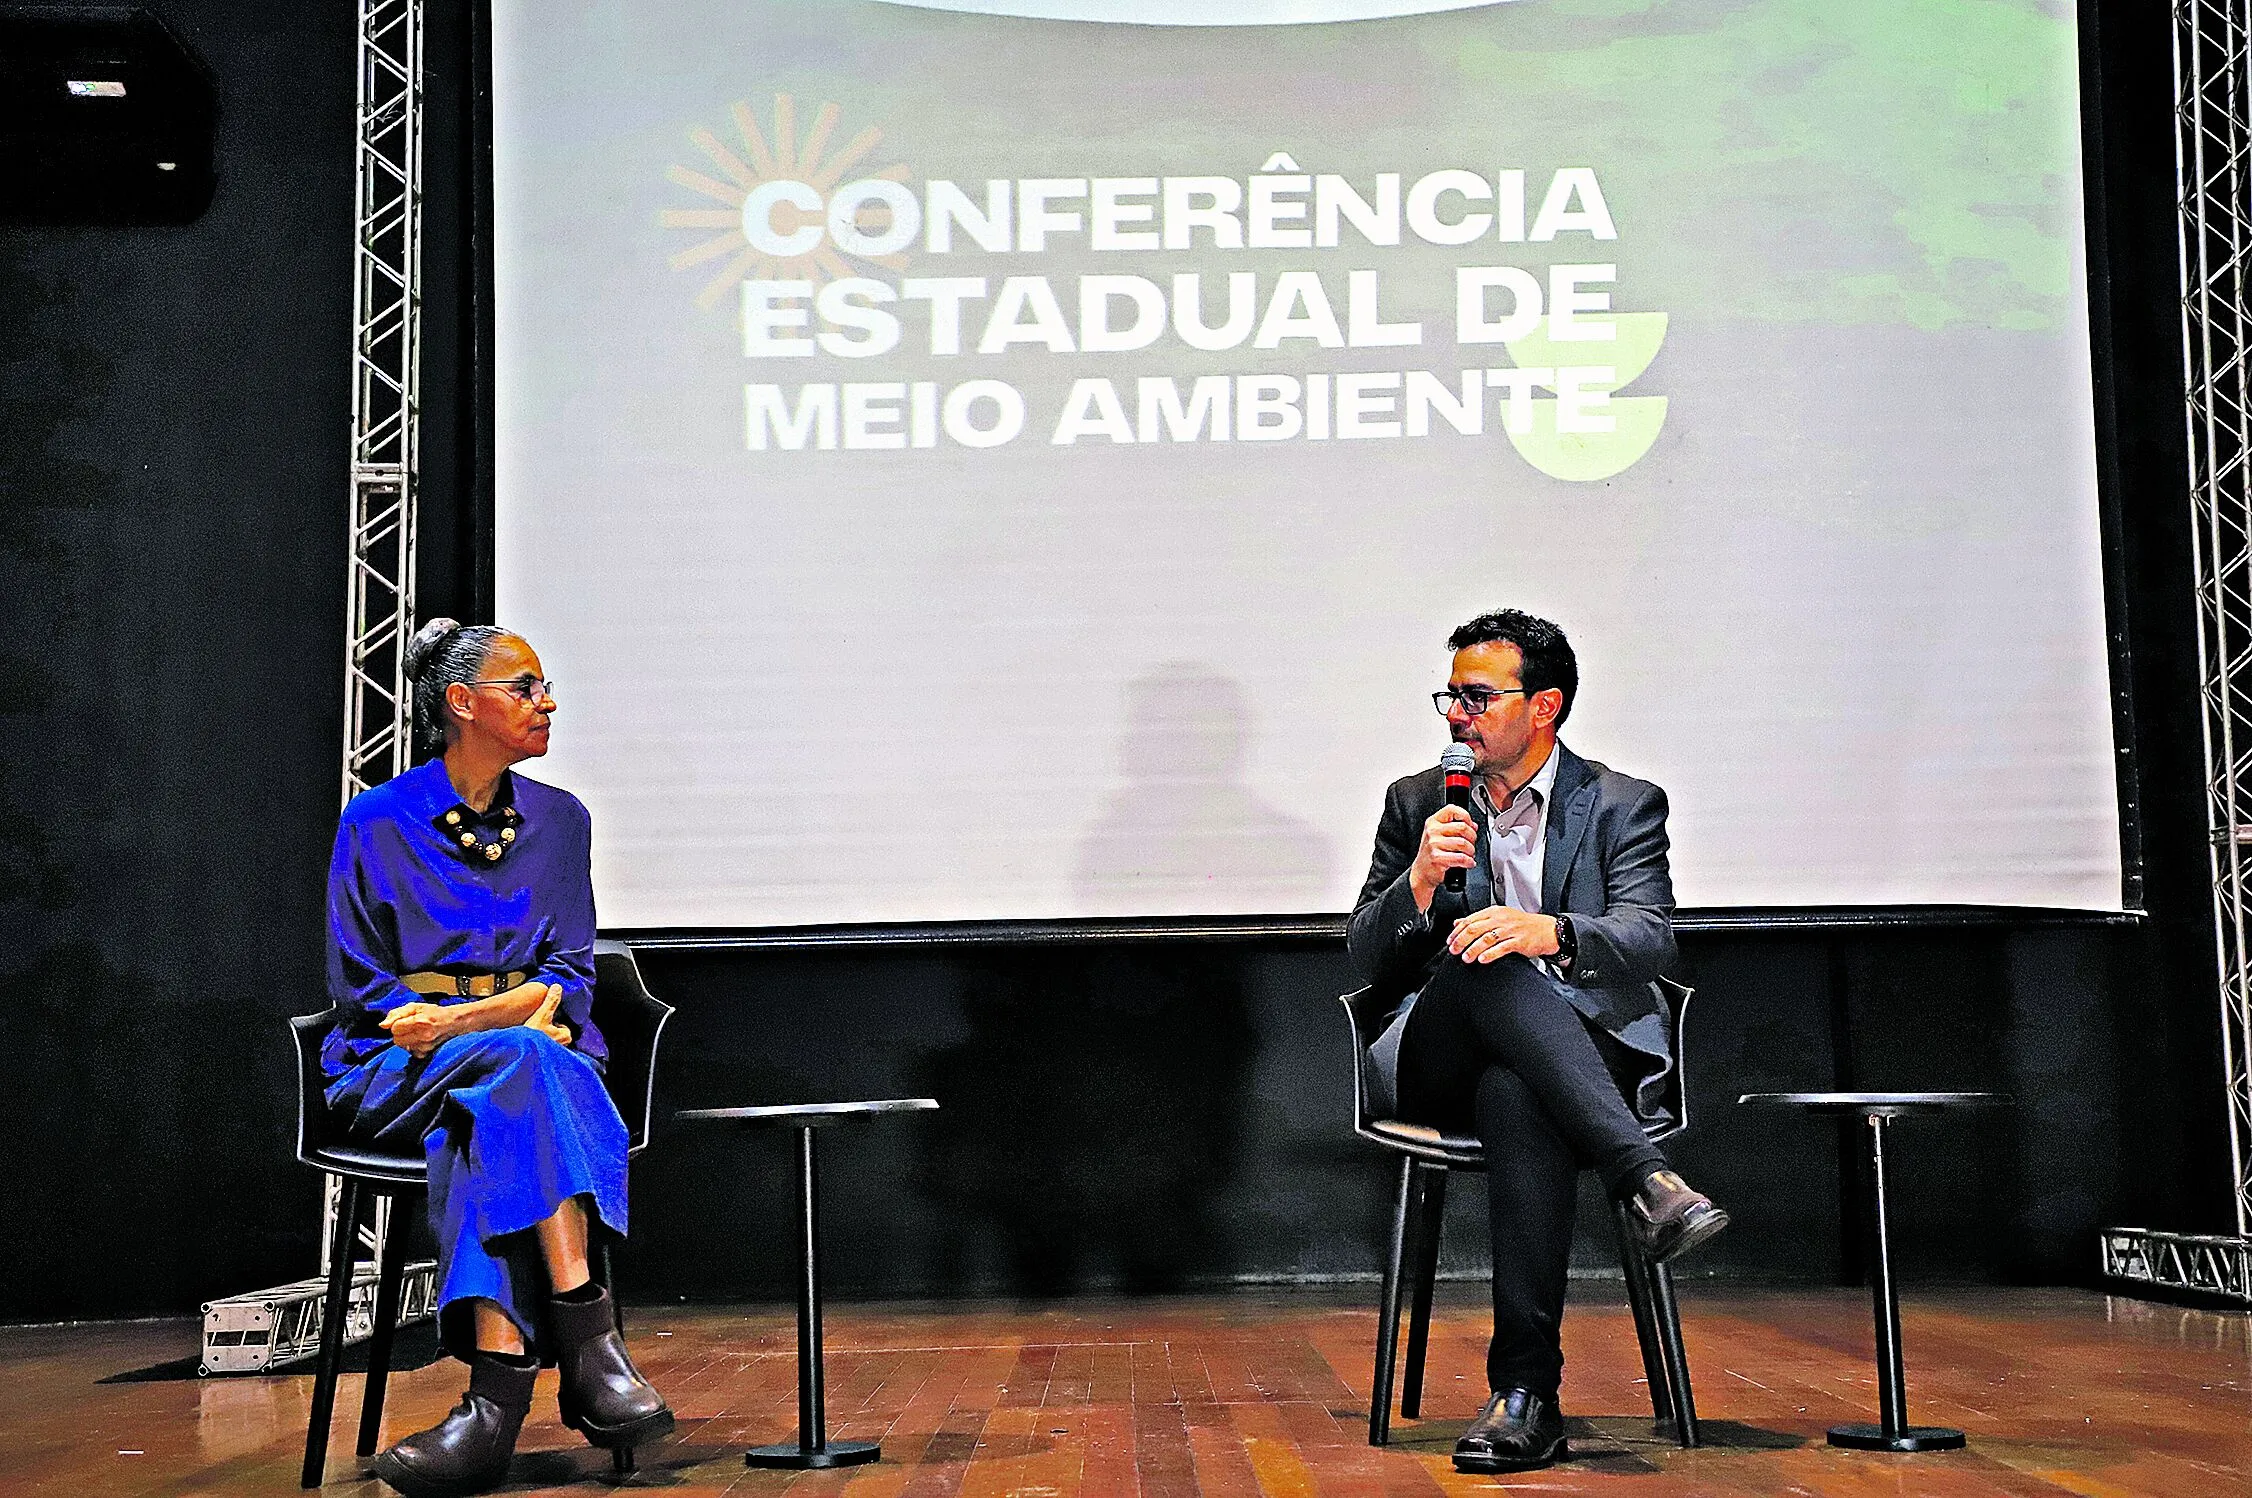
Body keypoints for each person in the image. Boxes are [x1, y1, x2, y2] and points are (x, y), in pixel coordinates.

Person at [1347, 609, 1726, 1475]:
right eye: (1451, 697)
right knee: (1480, 956)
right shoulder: (1417, 804)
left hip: (1572, 1059)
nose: (1456, 717)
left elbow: (1648, 935)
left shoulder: (1622, 803)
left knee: (1517, 1093)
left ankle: (1525, 1397)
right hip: (1435, 1052)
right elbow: (1365, 953)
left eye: (1477, 698)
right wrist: (1418, 883)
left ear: (1545, 706)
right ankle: (1646, 1181)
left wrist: (1549, 930)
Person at [322, 619, 672, 1498]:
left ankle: (493, 1404)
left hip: (512, 1066)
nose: (546, 702)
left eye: (545, 686)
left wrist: (466, 1021)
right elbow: (370, 997)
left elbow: (571, 976)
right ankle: (590, 1342)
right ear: (462, 703)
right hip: (396, 1072)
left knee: (494, 1116)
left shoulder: (561, 821)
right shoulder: (375, 823)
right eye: (526, 687)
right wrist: (503, 1018)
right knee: (525, 1059)